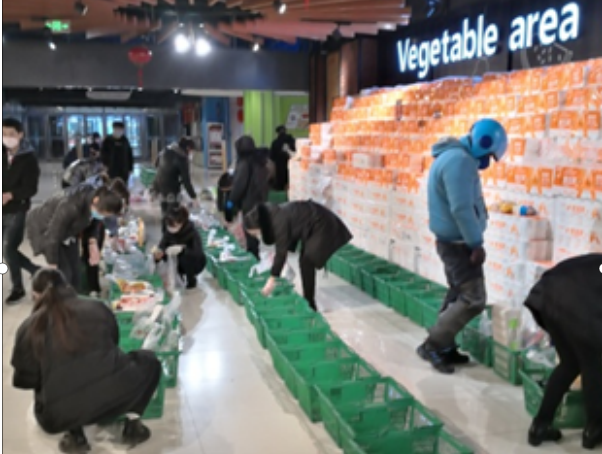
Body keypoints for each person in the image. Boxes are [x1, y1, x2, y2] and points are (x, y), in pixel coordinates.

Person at [11, 268, 161, 453]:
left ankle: (76, 436)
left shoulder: (29, 328)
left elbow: (24, 381)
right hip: (116, 400)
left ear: (35, 295)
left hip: (57, 417)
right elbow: (113, 344)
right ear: (66, 286)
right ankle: (133, 425)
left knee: (56, 383)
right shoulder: (97, 308)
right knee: (149, 362)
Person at [417, 119, 508, 374]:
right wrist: (475, 243)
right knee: (473, 299)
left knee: (458, 293)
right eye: (489, 155)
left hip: (452, 240)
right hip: (459, 244)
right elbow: (461, 208)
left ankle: (443, 345)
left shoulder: (452, 156)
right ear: (483, 144)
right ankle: (434, 345)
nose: (488, 161)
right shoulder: (460, 161)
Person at [523, 254, 602, 450]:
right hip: (574, 302)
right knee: (593, 365)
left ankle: (539, 427)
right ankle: (594, 430)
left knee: (570, 363)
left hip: (548, 293)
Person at [244, 200, 353, 311]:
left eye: (256, 233)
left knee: (307, 261)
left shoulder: (278, 221)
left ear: (258, 226)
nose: (257, 236)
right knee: (305, 261)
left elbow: (281, 252)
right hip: (311, 224)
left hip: (320, 223)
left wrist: (272, 278)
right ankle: (309, 301)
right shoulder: (270, 215)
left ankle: (310, 303)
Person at [26, 184, 124, 291]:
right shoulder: (71, 206)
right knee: (65, 274)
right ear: (95, 201)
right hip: (45, 230)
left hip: (68, 232)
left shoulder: (96, 202)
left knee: (76, 273)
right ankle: (60, 299)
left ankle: (74, 298)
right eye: (102, 214)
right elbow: (53, 236)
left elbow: (94, 221)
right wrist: (53, 263)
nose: (102, 216)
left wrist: (93, 243)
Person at [2, 118, 41, 304]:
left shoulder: (29, 159)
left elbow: (31, 188)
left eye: (11, 134)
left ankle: (18, 287)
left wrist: (11, 195)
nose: (7, 138)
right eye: (3, 134)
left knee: (9, 248)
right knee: (7, 251)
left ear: (20, 135)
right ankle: (35, 270)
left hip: (17, 208)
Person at [81, 178, 130, 296]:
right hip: (86, 229)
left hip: (93, 228)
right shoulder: (100, 202)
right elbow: (106, 223)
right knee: (90, 257)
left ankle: (93, 287)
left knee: (93, 256)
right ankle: (90, 287)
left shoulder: (104, 199)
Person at [227, 136, 270, 259]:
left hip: (249, 204)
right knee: (254, 234)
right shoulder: (260, 161)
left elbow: (239, 186)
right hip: (260, 202)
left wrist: (230, 203)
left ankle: (253, 260)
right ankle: (254, 257)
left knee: (250, 236)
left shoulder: (245, 163)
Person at [154, 206, 206, 290]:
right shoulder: (168, 233)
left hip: (195, 263)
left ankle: (191, 280)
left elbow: (198, 253)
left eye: (174, 225)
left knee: (186, 258)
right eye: (169, 225)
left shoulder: (192, 233)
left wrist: (183, 249)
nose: (171, 228)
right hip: (177, 262)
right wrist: (159, 253)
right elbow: (162, 246)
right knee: (166, 256)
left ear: (182, 223)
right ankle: (177, 278)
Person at [152, 137, 198, 216]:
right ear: (188, 148)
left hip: (159, 185)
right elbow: (186, 181)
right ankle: (170, 220)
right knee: (173, 213)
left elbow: (156, 164)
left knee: (164, 209)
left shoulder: (166, 149)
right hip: (171, 189)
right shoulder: (182, 158)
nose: (191, 154)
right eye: (191, 151)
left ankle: (164, 221)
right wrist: (194, 197)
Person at [270, 125, 296, 192]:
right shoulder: (292, 141)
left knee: (280, 185)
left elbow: (272, 157)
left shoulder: (275, 143)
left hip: (279, 167)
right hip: (292, 166)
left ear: (277, 133)